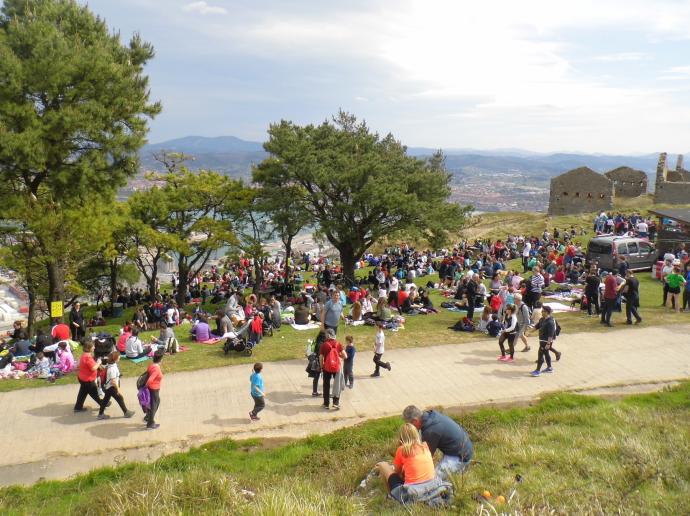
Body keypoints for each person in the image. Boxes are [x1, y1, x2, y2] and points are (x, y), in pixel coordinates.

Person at [402, 405, 474, 478]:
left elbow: (425, 457)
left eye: (409, 424)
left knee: (432, 479)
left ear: (415, 421)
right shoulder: (430, 416)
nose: (409, 428)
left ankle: (461, 468)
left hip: (460, 457)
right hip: (464, 448)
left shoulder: (430, 431)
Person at [375, 423, 436, 503]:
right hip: (430, 485)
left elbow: (396, 473)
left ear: (401, 437)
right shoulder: (425, 446)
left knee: (382, 465)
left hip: (411, 491)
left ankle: (391, 495)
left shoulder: (402, 449)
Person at [97, 352, 135, 420]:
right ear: (115, 359)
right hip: (112, 387)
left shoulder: (111, 365)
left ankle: (100, 414)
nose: (120, 357)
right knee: (120, 398)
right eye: (119, 356)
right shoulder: (112, 369)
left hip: (108, 387)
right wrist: (118, 389)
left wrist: (118, 375)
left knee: (105, 400)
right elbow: (113, 381)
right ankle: (126, 412)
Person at [73, 341, 104, 412]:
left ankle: (78, 407)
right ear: (89, 348)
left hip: (82, 378)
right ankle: (103, 404)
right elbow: (93, 368)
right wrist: (99, 363)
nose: (94, 347)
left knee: (82, 393)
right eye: (93, 346)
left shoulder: (85, 354)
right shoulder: (88, 357)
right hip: (88, 380)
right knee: (94, 393)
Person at [319, 328, 346, 410]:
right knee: (337, 385)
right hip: (336, 367)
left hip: (327, 368)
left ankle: (326, 403)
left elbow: (321, 357)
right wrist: (338, 356)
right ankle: (336, 403)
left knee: (326, 385)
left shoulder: (324, 345)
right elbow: (345, 356)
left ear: (328, 335)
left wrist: (321, 366)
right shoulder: (338, 344)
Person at [531, 305, 556, 377]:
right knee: (546, 354)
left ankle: (537, 371)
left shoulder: (550, 322)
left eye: (543, 311)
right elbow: (537, 326)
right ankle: (549, 368)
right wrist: (530, 332)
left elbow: (551, 334)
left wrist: (548, 344)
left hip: (546, 341)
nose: (541, 312)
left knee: (540, 355)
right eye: (542, 311)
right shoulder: (542, 319)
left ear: (547, 312)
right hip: (542, 340)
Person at [145, 350, 164, 429]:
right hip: (154, 389)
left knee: (156, 402)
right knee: (154, 405)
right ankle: (150, 423)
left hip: (151, 389)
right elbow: (150, 380)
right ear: (161, 359)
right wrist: (146, 388)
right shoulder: (156, 369)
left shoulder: (151, 365)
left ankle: (148, 417)